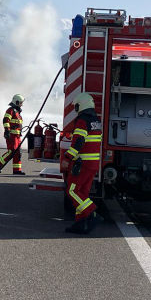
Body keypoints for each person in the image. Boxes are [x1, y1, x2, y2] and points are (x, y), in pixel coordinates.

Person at [61, 92, 102, 234]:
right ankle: (80, 223)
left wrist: (67, 158)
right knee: (82, 192)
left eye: (76, 106)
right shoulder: (96, 121)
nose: (75, 109)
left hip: (82, 163)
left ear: (81, 105)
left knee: (72, 191)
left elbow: (79, 141)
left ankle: (92, 213)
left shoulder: (82, 121)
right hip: (93, 163)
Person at [0, 93, 26, 175]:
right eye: (21, 103)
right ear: (16, 102)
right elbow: (5, 120)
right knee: (12, 151)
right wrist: (7, 131)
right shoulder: (10, 110)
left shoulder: (17, 112)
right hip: (12, 136)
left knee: (18, 153)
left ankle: (17, 170)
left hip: (17, 136)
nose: (22, 104)